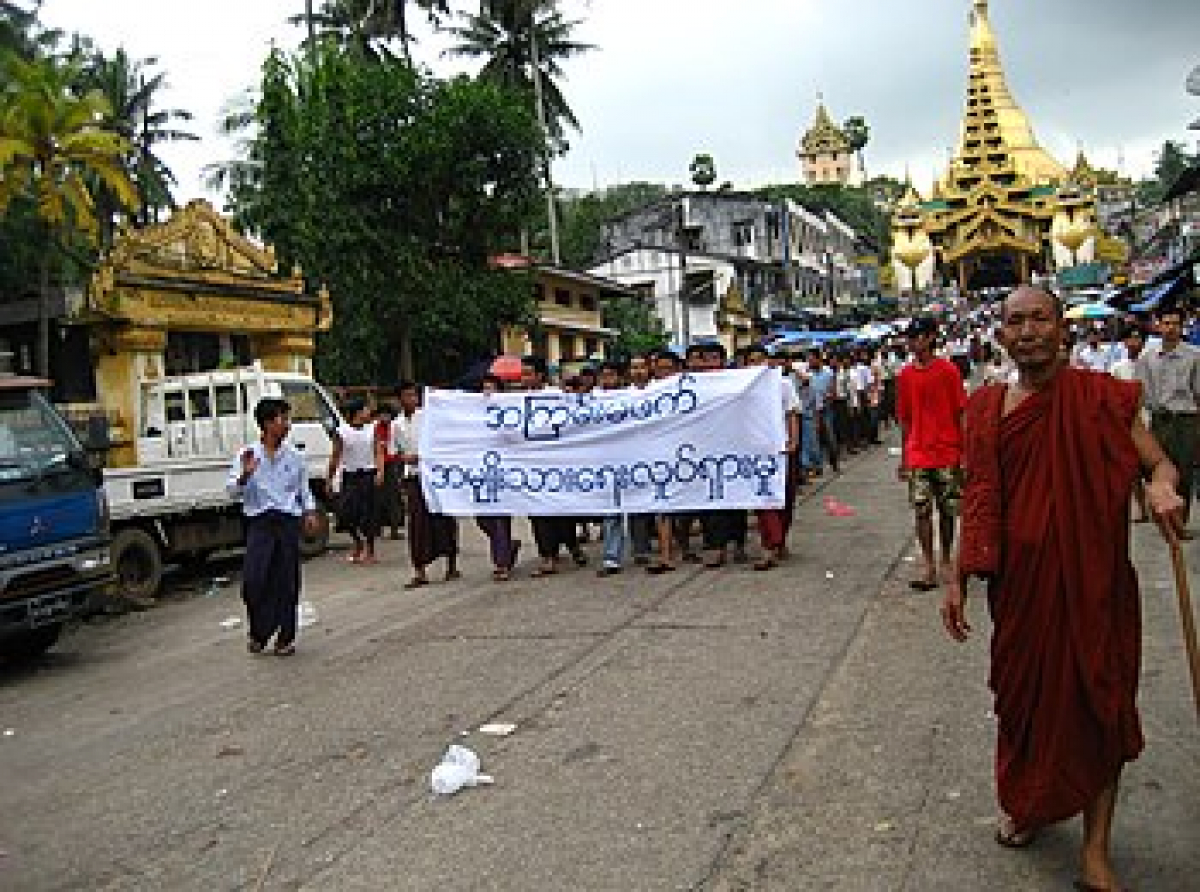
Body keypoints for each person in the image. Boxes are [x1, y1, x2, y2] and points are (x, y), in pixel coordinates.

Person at [943, 286, 1182, 892]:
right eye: (1014, 321)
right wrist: (958, 575)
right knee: (1024, 705)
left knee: (1100, 706)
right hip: (1021, 593)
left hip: (1095, 586)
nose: (1027, 331)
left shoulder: (1101, 400)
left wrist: (1159, 486)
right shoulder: (988, 408)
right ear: (999, 335)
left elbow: (1158, 463)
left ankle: (1095, 851)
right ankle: (1029, 803)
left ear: (1062, 329)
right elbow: (978, 497)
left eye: (1039, 319)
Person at [227, 397, 323, 656]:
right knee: (254, 581)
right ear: (267, 424)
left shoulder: (295, 457)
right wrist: (245, 476)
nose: (287, 425)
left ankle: (286, 637)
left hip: (287, 522)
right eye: (283, 419)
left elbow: (304, 490)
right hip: (259, 523)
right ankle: (259, 630)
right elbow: (231, 492)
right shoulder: (247, 455)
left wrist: (310, 513)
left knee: (287, 581)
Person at [897, 318, 965, 590]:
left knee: (948, 511)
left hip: (947, 451)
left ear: (930, 338)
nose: (912, 343)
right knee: (921, 510)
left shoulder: (948, 371)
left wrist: (965, 452)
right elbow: (905, 419)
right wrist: (905, 456)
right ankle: (928, 563)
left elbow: (961, 412)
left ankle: (946, 558)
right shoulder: (905, 375)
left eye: (917, 337)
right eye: (910, 338)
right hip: (918, 452)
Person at [1136, 305, 1200, 537]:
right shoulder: (1148, 358)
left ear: (1182, 327)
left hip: (1185, 419)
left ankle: (1180, 523)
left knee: (1183, 471)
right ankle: (1163, 515)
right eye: (1166, 323)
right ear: (1158, 325)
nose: (1171, 328)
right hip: (1159, 419)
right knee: (1157, 469)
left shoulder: (1194, 356)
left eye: (1175, 324)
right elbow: (1141, 392)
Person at [521, 356, 587, 576]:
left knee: (562, 511)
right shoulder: (516, 402)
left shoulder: (558, 397)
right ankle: (547, 557)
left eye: (528, 373)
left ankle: (572, 546)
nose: (524, 378)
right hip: (532, 467)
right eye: (523, 373)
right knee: (538, 513)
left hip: (558, 464)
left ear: (540, 375)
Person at [392, 381, 460, 588]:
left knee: (443, 517)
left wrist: (423, 457)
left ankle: (451, 563)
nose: (411, 399)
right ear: (400, 399)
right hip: (413, 476)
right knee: (417, 523)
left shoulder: (428, 417)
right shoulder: (397, 425)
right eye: (406, 396)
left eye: (414, 395)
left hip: (434, 474)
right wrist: (405, 459)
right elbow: (395, 452)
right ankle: (420, 569)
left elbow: (440, 441)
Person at [743, 345, 799, 570]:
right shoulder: (742, 388)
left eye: (760, 360)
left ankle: (779, 540)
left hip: (781, 448)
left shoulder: (782, 384)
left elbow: (792, 413)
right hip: (755, 450)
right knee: (762, 499)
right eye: (751, 361)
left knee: (783, 498)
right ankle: (769, 545)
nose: (756, 364)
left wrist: (793, 441)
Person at [326, 398, 385, 564]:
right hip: (350, 476)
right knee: (347, 513)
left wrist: (380, 471)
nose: (369, 413)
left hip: (369, 474)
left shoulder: (372, 429)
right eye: (366, 410)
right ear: (357, 413)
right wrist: (329, 479)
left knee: (370, 513)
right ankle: (358, 542)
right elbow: (335, 456)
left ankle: (370, 550)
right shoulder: (342, 432)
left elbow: (378, 451)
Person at [474, 374, 520, 580]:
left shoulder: (510, 414)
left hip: (503, 472)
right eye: (484, 388)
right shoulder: (473, 415)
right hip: (480, 472)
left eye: (491, 388)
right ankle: (507, 547)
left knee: (500, 518)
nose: (487, 392)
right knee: (482, 519)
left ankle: (502, 564)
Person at [1110, 327, 1150, 524]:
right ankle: (1141, 507)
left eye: (1138, 338)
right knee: (1133, 469)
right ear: (1124, 342)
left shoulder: (1151, 362)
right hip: (1126, 422)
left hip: (1150, 418)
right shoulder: (1118, 367)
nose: (1134, 342)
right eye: (1130, 338)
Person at [373, 403, 404, 540]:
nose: (384, 417)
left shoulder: (395, 427)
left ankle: (394, 528)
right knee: (377, 497)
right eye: (382, 414)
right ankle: (377, 528)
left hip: (392, 463)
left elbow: (401, 445)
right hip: (377, 464)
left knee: (393, 497)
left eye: (387, 414)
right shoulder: (374, 428)